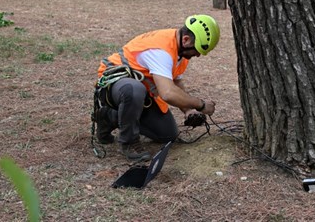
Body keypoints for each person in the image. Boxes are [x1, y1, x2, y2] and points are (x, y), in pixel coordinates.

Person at [93, 15, 220, 161]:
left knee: (168, 134)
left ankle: (111, 118)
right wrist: (201, 105)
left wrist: (188, 110)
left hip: (141, 95)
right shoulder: (161, 51)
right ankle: (128, 142)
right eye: (197, 50)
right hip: (114, 84)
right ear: (186, 40)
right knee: (133, 90)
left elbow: (176, 82)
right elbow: (167, 93)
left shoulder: (179, 51)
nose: (197, 55)